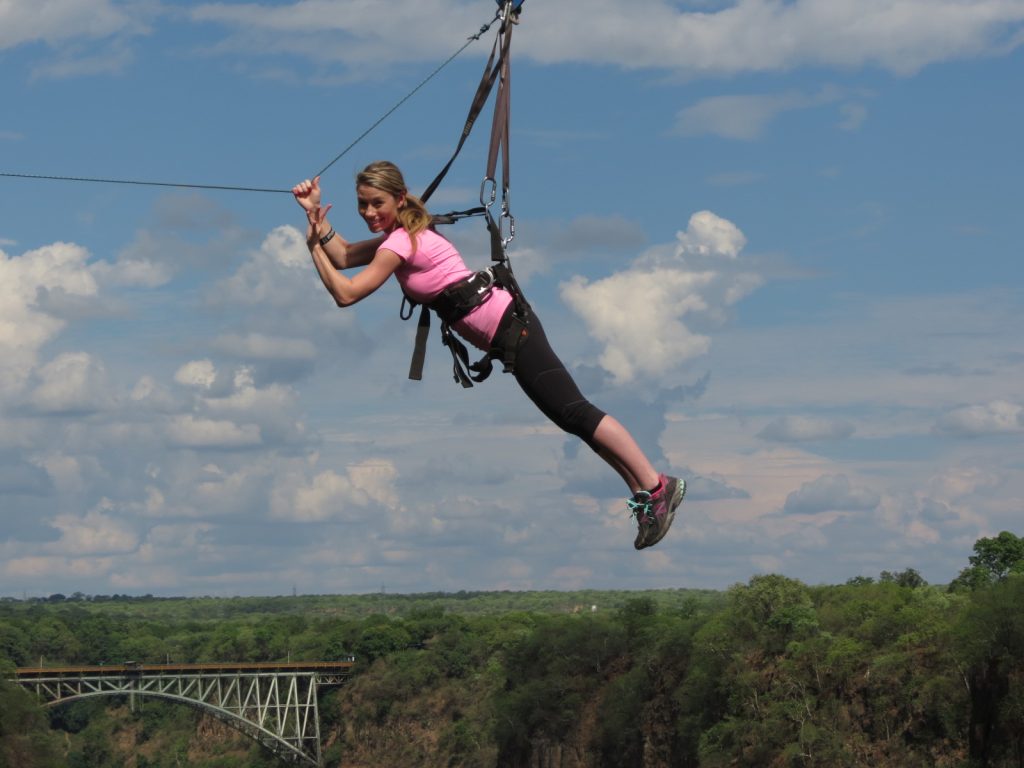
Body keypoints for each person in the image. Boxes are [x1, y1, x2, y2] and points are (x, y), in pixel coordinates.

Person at [292, 161, 685, 549]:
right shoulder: (402, 235)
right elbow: (342, 255)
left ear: (398, 198)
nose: (368, 213)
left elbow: (346, 293)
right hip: (510, 329)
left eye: (376, 203)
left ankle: (655, 485)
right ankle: (646, 494)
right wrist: (314, 214)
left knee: (577, 412)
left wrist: (312, 242)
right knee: (573, 420)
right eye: (361, 204)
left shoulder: (400, 242)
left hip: (513, 329)